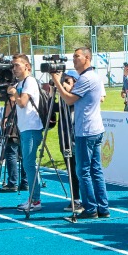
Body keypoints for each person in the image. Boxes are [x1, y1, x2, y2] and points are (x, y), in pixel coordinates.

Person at [52, 47, 109, 219]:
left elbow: (69, 99)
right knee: (95, 169)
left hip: (86, 130)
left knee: (83, 171)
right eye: (73, 57)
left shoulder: (86, 78)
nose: (74, 59)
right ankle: (102, 207)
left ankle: (90, 208)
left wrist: (56, 82)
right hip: (94, 128)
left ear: (87, 58)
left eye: (77, 56)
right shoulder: (92, 76)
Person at [7, 54, 45, 212]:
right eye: (13, 66)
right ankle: (33, 197)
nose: (14, 69)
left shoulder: (29, 81)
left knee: (29, 164)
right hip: (25, 127)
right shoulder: (20, 82)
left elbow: (22, 103)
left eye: (17, 65)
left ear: (27, 66)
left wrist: (14, 93)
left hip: (32, 127)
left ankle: (35, 200)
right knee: (28, 164)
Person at [58, 70, 82, 213]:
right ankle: (75, 198)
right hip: (65, 136)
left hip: (77, 137)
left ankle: (83, 200)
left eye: (68, 82)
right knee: (70, 170)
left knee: (80, 169)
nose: (64, 85)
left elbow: (72, 103)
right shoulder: (62, 97)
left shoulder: (77, 96)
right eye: (63, 81)